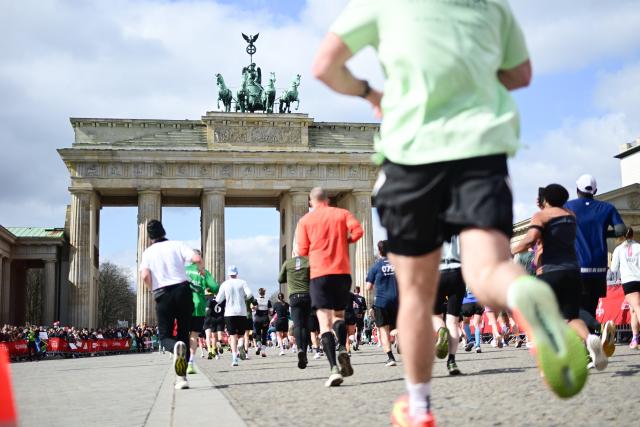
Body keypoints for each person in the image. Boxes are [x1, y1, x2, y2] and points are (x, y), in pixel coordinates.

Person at [314, 2, 587, 424]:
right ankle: (524, 296)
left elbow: (325, 66)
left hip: (409, 155)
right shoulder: (492, 4)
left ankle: (419, 405)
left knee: (418, 295)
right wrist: (472, 81)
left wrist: (371, 93)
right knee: (490, 268)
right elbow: (521, 74)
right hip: (480, 151)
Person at [512, 184, 607, 370]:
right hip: (572, 271)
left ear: (545, 199)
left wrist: (511, 250)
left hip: (549, 272)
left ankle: (556, 358)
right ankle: (590, 338)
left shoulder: (542, 215)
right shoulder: (570, 215)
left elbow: (531, 238)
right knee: (571, 316)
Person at [296, 187, 363, 387]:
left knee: (324, 323)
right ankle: (343, 346)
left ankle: (334, 369)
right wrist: (345, 240)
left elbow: (302, 250)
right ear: (329, 199)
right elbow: (358, 231)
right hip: (342, 273)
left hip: (319, 274)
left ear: (310, 202)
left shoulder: (305, 221)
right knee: (339, 316)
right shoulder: (342, 213)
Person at [565, 174, 625, 356]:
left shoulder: (568, 207)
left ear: (576, 190)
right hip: (599, 267)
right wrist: (602, 234)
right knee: (590, 306)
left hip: (578, 266)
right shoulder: (607, 207)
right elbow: (621, 230)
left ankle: (601, 326)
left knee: (572, 309)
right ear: (596, 191)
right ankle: (588, 351)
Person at [139, 219, 200, 390]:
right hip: (183, 291)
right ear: (164, 231)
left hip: (163, 294)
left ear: (150, 236)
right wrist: (201, 268)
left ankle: (174, 348)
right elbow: (196, 258)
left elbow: (145, 276)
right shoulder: (177, 245)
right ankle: (182, 379)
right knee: (184, 332)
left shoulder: (148, 252)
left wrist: (153, 290)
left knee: (165, 336)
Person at [432, 235, 465, 375]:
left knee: (434, 315)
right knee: (453, 322)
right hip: (458, 272)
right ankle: (451, 361)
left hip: (437, 272)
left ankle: (440, 331)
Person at [185, 250, 219, 373]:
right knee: (194, 335)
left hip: (183, 306)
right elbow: (215, 288)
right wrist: (206, 274)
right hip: (198, 307)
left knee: (182, 334)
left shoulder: (183, 270)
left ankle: (180, 356)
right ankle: (190, 363)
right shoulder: (203, 272)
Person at [366, 240, 399, 366]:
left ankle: (390, 358)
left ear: (379, 251)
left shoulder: (375, 266)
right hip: (397, 300)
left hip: (381, 301)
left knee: (383, 330)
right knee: (398, 327)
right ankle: (400, 342)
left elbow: (368, 287)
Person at [278, 249, 312, 369]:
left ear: (293, 253)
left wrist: (291, 277)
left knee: (298, 325)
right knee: (306, 326)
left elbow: (280, 279)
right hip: (307, 296)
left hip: (294, 297)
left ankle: (299, 349)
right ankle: (305, 354)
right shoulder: (308, 262)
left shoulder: (287, 263)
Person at [215, 265, 253, 367]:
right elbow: (249, 294)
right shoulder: (242, 282)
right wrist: (243, 297)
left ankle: (234, 359)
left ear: (228, 274)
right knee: (241, 335)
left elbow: (218, 299)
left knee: (232, 336)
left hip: (229, 313)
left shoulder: (225, 284)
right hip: (241, 312)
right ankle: (241, 345)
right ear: (236, 273)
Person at [610, 227, 640, 349]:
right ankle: (635, 337)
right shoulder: (639, 246)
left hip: (629, 281)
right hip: (639, 278)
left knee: (637, 307)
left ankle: (635, 337)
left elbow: (613, 269)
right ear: (633, 236)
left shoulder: (618, 249)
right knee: (633, 310)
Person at [253, 288, 272, 357]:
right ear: (264, 293)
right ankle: (263, 352)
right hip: (265, 319)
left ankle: (258, 345)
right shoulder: (268, 301)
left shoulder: (256, 300)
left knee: (258, 333)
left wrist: (256, 307)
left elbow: (253, 308)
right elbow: (271, 311)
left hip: (257, 319)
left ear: (259, 293)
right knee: (264, 335)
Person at [352, 286, 367, 351]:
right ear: (359, 291)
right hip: (359, 315)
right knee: (359, 330)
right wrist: (362, 316)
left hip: (352, 315)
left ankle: (352, 341)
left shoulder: (351, 298)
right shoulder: (362, 298)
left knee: (352, 330)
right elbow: (364, 309)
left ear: (354, 291)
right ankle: (357, 343)